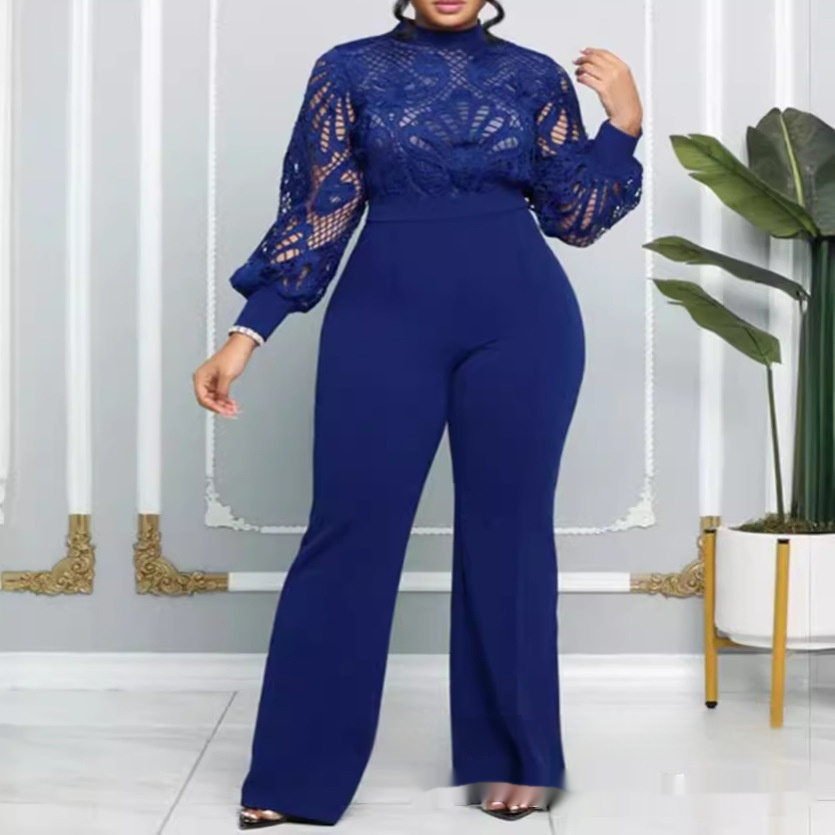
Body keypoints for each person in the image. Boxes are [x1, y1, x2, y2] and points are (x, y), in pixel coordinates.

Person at [193, 0, 643, 828]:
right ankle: (295, 773)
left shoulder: (533, 76)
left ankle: (512, 760)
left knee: (508, 534)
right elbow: (318, 211)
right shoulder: (348, 70)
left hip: (524, 324)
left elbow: (574, 218)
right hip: (383, 320)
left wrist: (622, 125)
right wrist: (246, 333)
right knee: (350, 529)